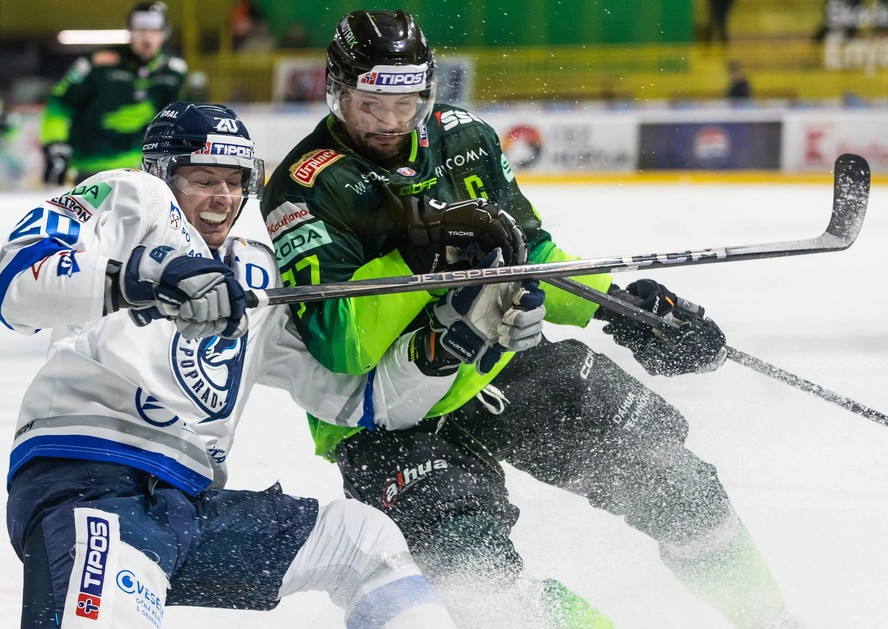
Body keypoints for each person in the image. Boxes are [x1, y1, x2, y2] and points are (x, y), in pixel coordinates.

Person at [261, 9, 802, 629]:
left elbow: (534, 253)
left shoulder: (464, 140)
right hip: (382, 416)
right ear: (336, 92)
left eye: (406, 103)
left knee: (681, 489)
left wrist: (620, 308)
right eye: (370, 106)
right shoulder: (305, 189)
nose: (389, 123)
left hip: (499, 359)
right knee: (483, 587)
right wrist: (423, 256)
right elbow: (340, 347)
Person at [0, 101, 461, 628]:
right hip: (92, 486)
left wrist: (452, 341)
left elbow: (359, 398)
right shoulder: (132, 197)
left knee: (362, 543)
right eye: (203, 179)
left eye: (235, 180)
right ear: (162, 175)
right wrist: (147, 278)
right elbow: (15, 281)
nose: (222, 197)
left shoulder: (256, 272)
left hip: (188, 509)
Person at [40, 1, 187, 186]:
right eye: (140, 30)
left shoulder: (175, 70)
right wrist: (54, 142)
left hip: (144, 169)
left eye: (154, 31)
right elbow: (59, 105)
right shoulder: (96, 64)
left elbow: (180, 119)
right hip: (90, 168)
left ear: (165, 33)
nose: (147, 38)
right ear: (129, 30)